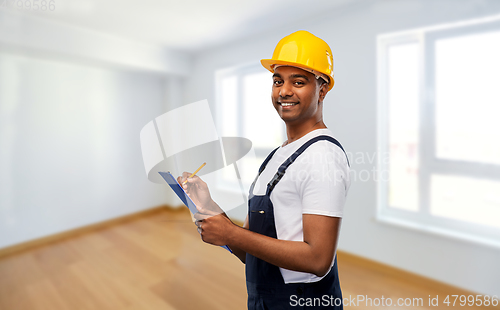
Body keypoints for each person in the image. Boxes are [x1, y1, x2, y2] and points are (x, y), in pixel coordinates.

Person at [178, 30, 350, 309]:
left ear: (323, 89)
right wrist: (208, 205)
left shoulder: (322, 156)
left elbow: (318, 261)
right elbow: (251, 251)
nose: (284, 90)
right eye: (278, 80)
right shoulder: (278, 155)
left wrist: (230, 233)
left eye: (299, 81)